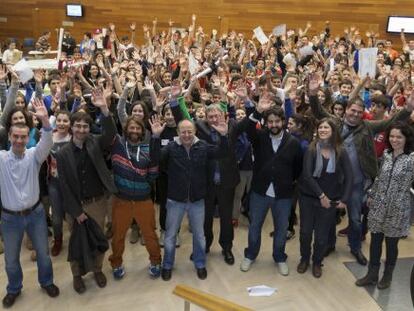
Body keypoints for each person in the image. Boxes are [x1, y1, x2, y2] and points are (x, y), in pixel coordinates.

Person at [308, 73, 414, 265]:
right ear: (346, 110)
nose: (355, 114)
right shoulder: (335, 123)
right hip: (334, 181)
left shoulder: (368, 126)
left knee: (356, 220)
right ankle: (329, 245)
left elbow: (389, 123)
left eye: (359, 111)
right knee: (330, 217)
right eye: (352, 110)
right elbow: (318, 112)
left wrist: (407, 109)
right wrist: (313, 94)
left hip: (357, 183)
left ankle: (355, 248)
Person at [56, 88, 117, 294]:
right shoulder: (63, 153)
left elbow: (111, 135)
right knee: (76, 242)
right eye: (78, 126)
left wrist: (105, 110)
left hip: (97, 203)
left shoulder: (95, 142)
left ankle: (98, 270)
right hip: (76, 206)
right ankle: (77, 275)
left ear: (89, 129)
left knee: (99, 238)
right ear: (71, 128)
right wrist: (76, 211)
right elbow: (63, 184)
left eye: (85, 126)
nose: (82, 129)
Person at [0, 98, 59, 308]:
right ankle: (14, 289)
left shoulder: (34, 156)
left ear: (28, 138)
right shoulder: (1, 159)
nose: (18, 140)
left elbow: (47, 142)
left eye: (23, 137)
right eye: (15, 136)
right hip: (9, 219)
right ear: (8, 136)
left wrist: (45, 121)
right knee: (11, 260)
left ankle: (47, 282)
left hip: (36, 215)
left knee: (43, 253)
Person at [160, 107, 230, 281]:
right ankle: (167, 264)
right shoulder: (170, 148)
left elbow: (222, 152)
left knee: (199, 235)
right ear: (177, 132)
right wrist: (155, 138)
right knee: (170, 235)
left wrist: (223, 136)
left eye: (189, 131)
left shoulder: (203, 147)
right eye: (183, 132)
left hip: (197, 200)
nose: (186, 135)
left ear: (195, 131)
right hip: (175, 200)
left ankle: (200, 264)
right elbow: (156, 159)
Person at [240, 93, 303, 276]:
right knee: (255, 227)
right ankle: (250, 255)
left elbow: (297, 168)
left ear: (283, 121)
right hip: (260, 192)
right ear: (266, 123)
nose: (274, 125)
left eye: (277, 121)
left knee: (282, 229)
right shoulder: (259, 137)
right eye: (271, 122)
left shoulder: (293, 143)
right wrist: (255, 109)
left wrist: (288, 181)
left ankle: (280, 257)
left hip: (283, 194)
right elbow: (249, 128)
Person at [356, 122, 414, 289]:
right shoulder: (386, 154)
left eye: (399, 137)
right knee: (375, 241)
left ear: (406, 138)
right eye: (392, 136)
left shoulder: (411, 159)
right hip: (378, 205)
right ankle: (372, 274)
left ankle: (387, 276)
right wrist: (372, 194)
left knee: (391, 244)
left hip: (398, 208)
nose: (394, 140)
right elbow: (380, 178)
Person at [108, 115, 164, 280]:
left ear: (142, 131)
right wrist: (105, 109)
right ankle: (116, 263)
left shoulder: (147, 149)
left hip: (143, 200)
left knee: (150, 234)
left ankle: (155, 261)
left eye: (137, 128)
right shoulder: (118, 145)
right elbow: (109, 127)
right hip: (121, 201)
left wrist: (142, 185)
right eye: (131, 128)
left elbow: (153, 173)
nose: (134, 130)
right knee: (118, 235)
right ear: (126, 130)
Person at [298, 118, 353, 278]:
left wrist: (344, 199)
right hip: (308, 197)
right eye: (320, 127)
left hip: (331, 201)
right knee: (305, 233)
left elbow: (349, 176)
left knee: (322, 237)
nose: (322, 130)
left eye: (326, 127)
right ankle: (304, 259)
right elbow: (307, 176)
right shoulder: (311, 149)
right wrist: (321, 195)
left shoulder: (340, 151)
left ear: (333, 131)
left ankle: (317, 262)